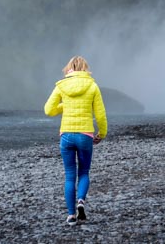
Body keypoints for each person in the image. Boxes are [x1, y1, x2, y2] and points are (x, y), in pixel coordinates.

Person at [44, 55, 108, 224]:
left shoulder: (61, 86)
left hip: (66, 135)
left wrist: (65, 105)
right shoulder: (92, 85)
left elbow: (49, 110)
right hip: (85, 135)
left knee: (70, 176)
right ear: (85, 68)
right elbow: (100, 115)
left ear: (69, 68)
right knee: (84, 172)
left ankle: (71, 215)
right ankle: (81, 201)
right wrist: (102, 133)